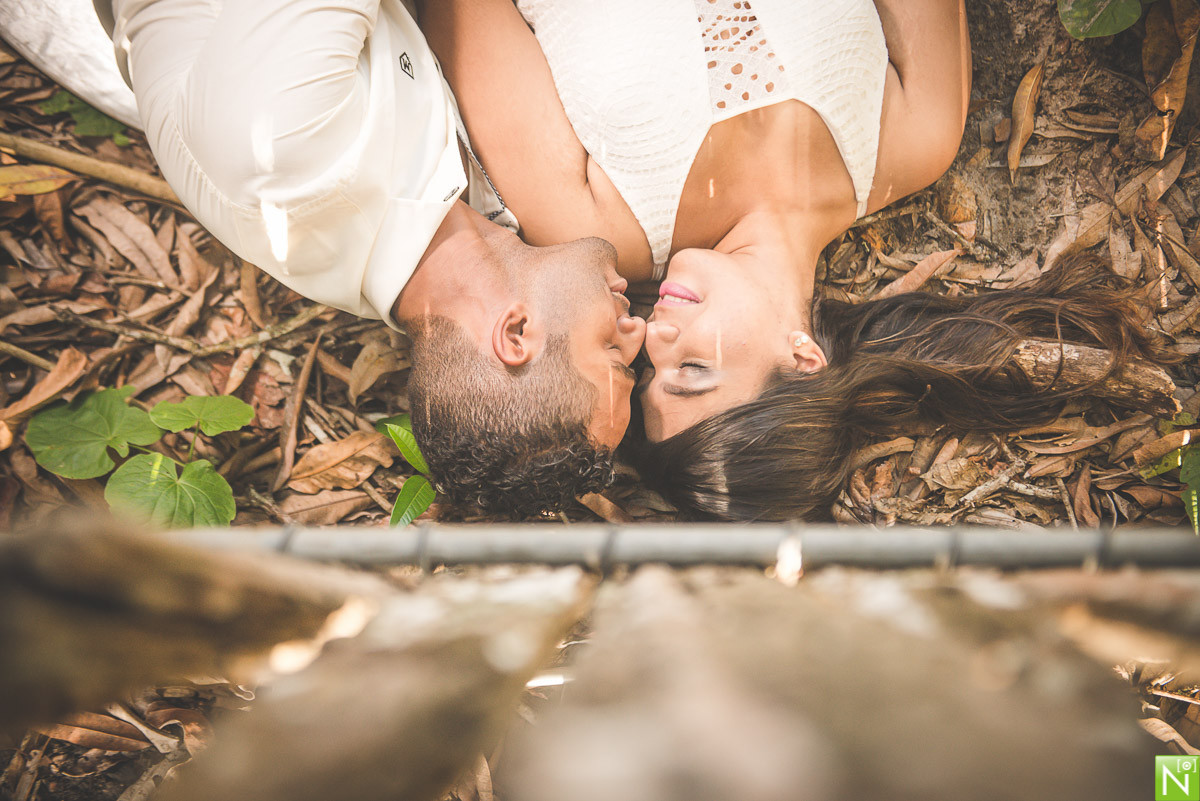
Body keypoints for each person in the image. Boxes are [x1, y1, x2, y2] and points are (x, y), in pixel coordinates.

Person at [420, 0, 1179, 521]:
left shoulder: (589, 223)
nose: (651, 338)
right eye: (694, 372)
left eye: (647, 372)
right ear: (804, 356)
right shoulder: (916, 137)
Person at [71, 0, 647, 516]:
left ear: (515, 333)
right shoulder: (463, 232)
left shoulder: (292, 159)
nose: (638, 330)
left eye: (615, 356)